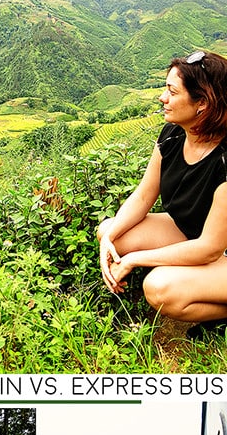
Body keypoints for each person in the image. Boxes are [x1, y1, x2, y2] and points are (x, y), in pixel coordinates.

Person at [97, 50, 227, 340]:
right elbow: (144, 196)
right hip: (190, 232)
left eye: (172, 91)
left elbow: (210, 249)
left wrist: (134, 260)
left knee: (159, 288)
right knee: (111, 231)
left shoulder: (223, 162)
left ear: (202, 104)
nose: (162, 98)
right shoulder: (173, 135)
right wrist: (108, 237)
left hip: (218, 250)